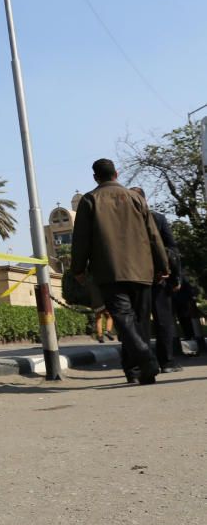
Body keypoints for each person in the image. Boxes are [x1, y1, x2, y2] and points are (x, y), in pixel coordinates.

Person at [70, 159, 168, 385]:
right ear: (116, 173)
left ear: (95, 177)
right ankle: (137, 370)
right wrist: (163, 265)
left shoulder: (90, 199)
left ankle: (143, 361)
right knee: (140, 322)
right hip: (143, 270)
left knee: (124, 321)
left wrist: (78, 268)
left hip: (109, 270)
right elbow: (153, 234)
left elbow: (81, 238)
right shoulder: (136, 198)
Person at [130, 187, 182, 373]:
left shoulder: (124, 223)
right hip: (159, 277)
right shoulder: (158, 218)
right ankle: (166, 361)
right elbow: (172, 249)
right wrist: (175, 276)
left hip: (135, 278)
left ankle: (144, 362)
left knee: (139, 322)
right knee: (163, 321)